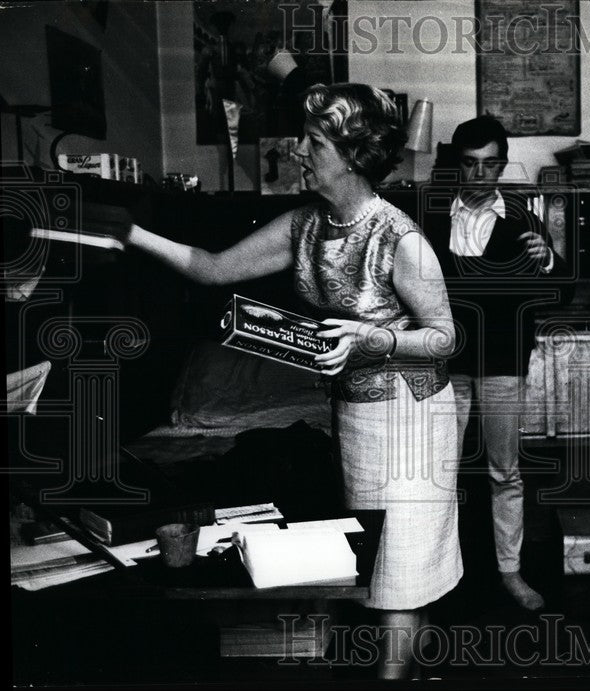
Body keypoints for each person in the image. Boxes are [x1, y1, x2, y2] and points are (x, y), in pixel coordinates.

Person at [124, 83, 462, 679]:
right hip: (356, 417)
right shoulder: (304, 224)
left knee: (399, 578)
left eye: (312, 141)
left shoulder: (400, 239)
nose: (299, 151)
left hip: (414, 420)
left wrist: (370, 339)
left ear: (352, 154)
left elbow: (443, 337)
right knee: (386, 566)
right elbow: (212, 268)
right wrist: (129, 233)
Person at [421, 115, 570, 611]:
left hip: (504, 361)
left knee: (504, 472)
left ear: (502, 166)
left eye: (490, 165)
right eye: (470, 165)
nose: (480, 175)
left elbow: (560, 294)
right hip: (445, 362)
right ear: (457, 166)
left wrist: (546, 258)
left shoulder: (526, 219)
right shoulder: (430, 216)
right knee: (437, 471)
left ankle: (511, 572)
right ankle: (430, 573)